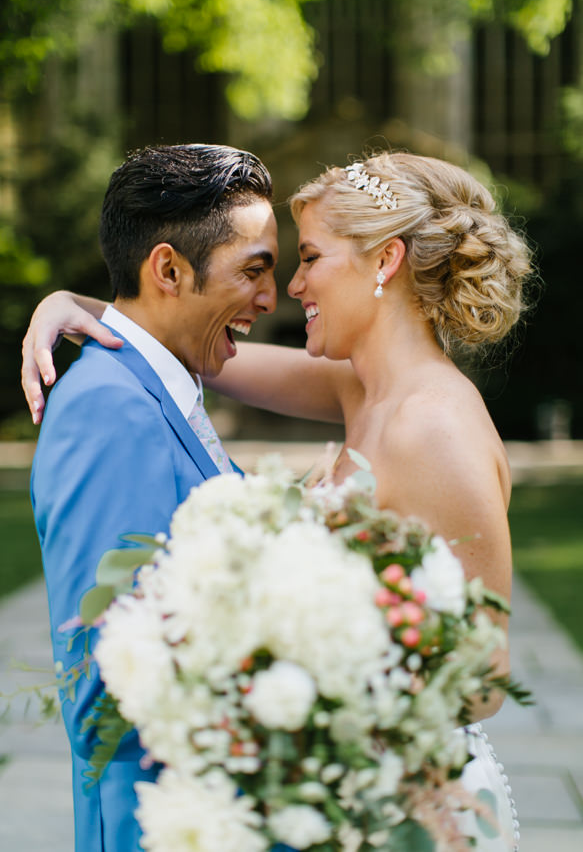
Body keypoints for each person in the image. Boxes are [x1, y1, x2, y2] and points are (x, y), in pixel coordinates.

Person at [23, 151, 532, 850]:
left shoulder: (434, 427)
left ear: (384, 261)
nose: (290, 287)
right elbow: (176, 341)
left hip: (409, 805)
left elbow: (480, 678)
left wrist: (296, 653)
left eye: (310, 257)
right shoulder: (361, 388)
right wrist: (70, 305)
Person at [29, 143, 280, 852]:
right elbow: (104, 695)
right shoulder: (110, 408)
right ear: (168, 268)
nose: (270, 296)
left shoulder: (164, 385)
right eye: (254, 270)